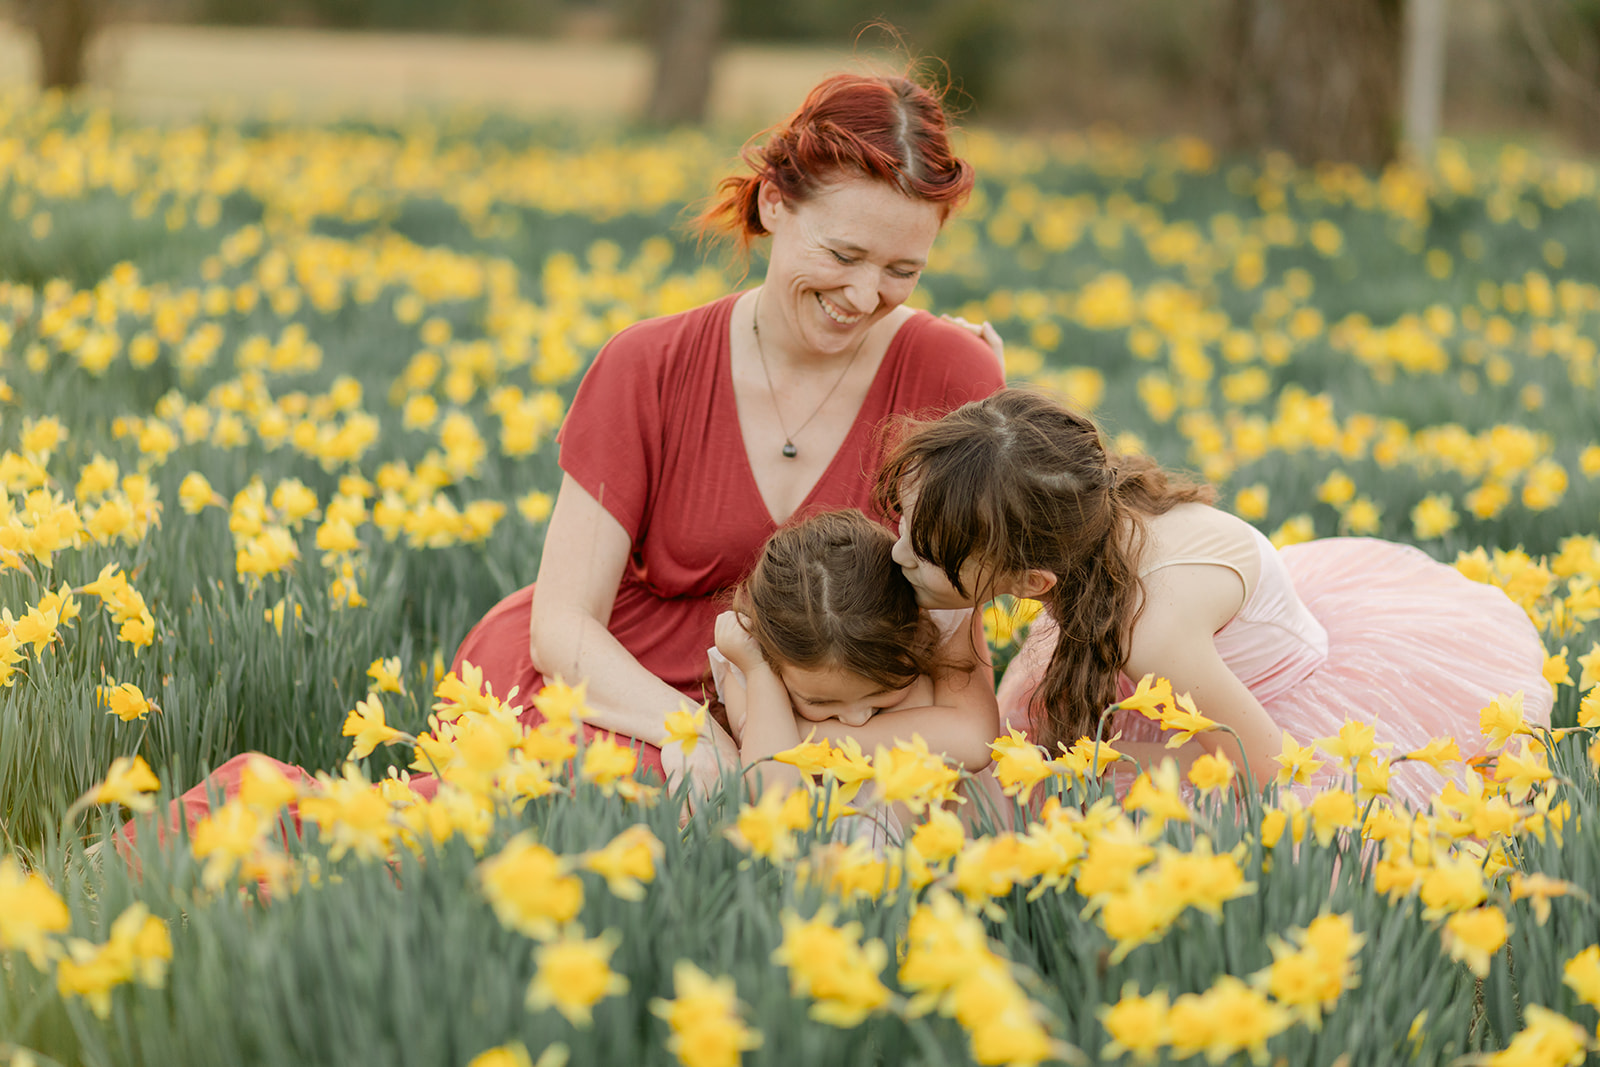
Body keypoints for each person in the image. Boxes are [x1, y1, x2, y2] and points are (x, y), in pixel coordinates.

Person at [451, 72, 1006, 796]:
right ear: (774, 203)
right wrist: (704, 739)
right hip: (622, 691)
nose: (866, 296)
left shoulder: (952, 376)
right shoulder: (645, 364)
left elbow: (962, 681)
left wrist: (802, 748)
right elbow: (562, 626)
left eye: (903, 270)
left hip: (835, 724)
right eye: (842, 256)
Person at [875, 388, 1554, 810]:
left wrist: (1094, 762)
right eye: (904, 522)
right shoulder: (1082, 517)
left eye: (926, 552)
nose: (898, 549)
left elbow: (1263, 766)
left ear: (1033, 583)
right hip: (1215, 656)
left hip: (1267, 732)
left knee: (1047, 788)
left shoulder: (1150, 632)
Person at [708, 508, 997, 785]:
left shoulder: (936, 623)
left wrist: (803, 735)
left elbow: (974, 743)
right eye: (820, 702)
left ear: (918, 633)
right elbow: (776, 791)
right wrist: (759, 672)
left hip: (928, 828)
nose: (856, 720)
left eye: (881, 691)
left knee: (920, 694)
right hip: (819, 830)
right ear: (771, 656)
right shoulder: (751, 661)